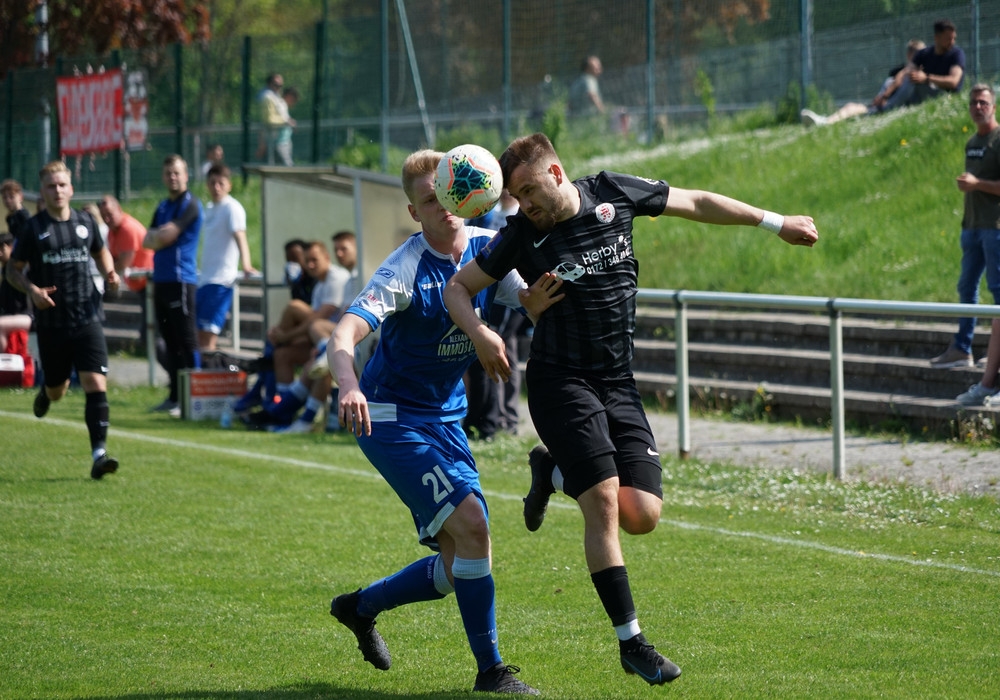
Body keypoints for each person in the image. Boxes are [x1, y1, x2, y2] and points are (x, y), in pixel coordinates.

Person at [444, 132, 819, 686]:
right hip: (559, 381)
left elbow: (696, 201)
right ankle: (632, 643)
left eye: (529, 190)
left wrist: (775, 222)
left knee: (641, 514)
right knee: (601, 501)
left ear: (555, 173)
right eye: (515, 197)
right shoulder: (521, 234)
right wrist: (481, 333)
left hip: (617, 382)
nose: (524, 204)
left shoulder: (613, 192)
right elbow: (457, 288)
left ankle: (551, 470)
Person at [327, 149, 563, 695]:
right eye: (431, 200)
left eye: (452, 193)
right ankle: (492, 673)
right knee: (475, 526)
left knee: (460, 563)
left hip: (447, 419)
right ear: (415, 212)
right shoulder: (405, 268)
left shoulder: (486, 249)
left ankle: (359, 608)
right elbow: (343, 335)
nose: (446, 206)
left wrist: (540, 300)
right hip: (390, 418)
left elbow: (526, 299)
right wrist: (348, 385)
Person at [5, 161, 122, 479]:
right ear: (42, 192)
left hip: (87, 316)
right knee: (58, 389)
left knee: (95, 381)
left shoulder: (85, 222)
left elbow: (100, 252)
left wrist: (110, 273)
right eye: (51, 186)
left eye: (61, 185)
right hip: (52, 322)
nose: (57, 190)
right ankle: (46, 392)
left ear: (71, 188)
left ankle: (99, 454)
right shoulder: (33, 228)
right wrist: (32, 290)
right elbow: (13, 269)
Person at [941, 86, 1000, 406]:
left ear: (994, 106)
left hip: (995, 228)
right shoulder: (972, 142)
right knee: (966, 288)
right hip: (972, 227)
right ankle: (962, 348)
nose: (978, 107)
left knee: (998, 297)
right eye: (974, 102)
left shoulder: (998, 140)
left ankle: (992, 365)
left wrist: (977, 184)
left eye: (984, 102)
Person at [803, 20, 963, 127]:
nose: (952, 42)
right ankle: (826, 121)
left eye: (953, 38)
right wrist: (884, 96)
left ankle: (882, 111)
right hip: (913, 96)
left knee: (912, 79)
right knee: (905, 78)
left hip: (943, 96)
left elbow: (954, 82)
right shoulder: (925, 54)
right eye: (948, 38)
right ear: (937, 37)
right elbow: (904, 72)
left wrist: (926, 78)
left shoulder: (956, 54)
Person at [144, 154, 203, 416]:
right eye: (168, 173)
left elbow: (167, 235)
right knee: (169, 341)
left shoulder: (190, 204)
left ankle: (195, 398)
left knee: (186, 340)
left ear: (186, 175)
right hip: (161, 279)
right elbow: (147, 239)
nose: (172, 177)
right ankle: (175, 397)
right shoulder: (162, 206)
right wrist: (161, 236)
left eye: (177, 173)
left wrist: (161, 236)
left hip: (181, 280)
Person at [464, 191, 523, 440]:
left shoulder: (522, 213)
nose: (507, 191)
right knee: (495, 351)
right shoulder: (488, 214)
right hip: (489, 291)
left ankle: (506, 419)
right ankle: (494, 417)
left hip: (513, 290)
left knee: (504, 349)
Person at [196, 164, 257, 352]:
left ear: (229, 185)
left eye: (221, 183)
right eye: (212, 183)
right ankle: (200, 370)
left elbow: (240, 237)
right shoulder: (208, 208)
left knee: (208, 339)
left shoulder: (232, 208)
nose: (216, 187)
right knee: (198, 338)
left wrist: (246, 264)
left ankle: (208, 371)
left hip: (221, 281)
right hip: (204, 280)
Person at [799, 39, 925, 127]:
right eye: (918, 54)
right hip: (880, 106)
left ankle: (824, 122)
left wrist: (884, 97)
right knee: (851, 106)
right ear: (909, 55)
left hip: (885, 109)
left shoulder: (914, 75)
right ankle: (824, 121)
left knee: (852, 108)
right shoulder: (901, 73)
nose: (921, 57)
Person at [0, 231, 33, 358]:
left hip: (29, 316)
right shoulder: (4, 271)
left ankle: (5, 365)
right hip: (15, 317)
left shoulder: (21, 272)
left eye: (2, 249)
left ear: (11, 247)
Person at [275, 86, 299, 167]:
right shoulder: (281, 104)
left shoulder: (283, 105)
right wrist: (291, 122)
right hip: (280, 141)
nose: (293, 102)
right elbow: (282, 119)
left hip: (285, 140)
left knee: (284, 164)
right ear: (289, 96)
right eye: (293, 99)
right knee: (287, 165)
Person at [2, 179, 31, 243]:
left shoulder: (23, 216)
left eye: (11, 197)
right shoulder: (10, 217)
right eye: (5, 197)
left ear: (20, 197)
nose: (8, 201)